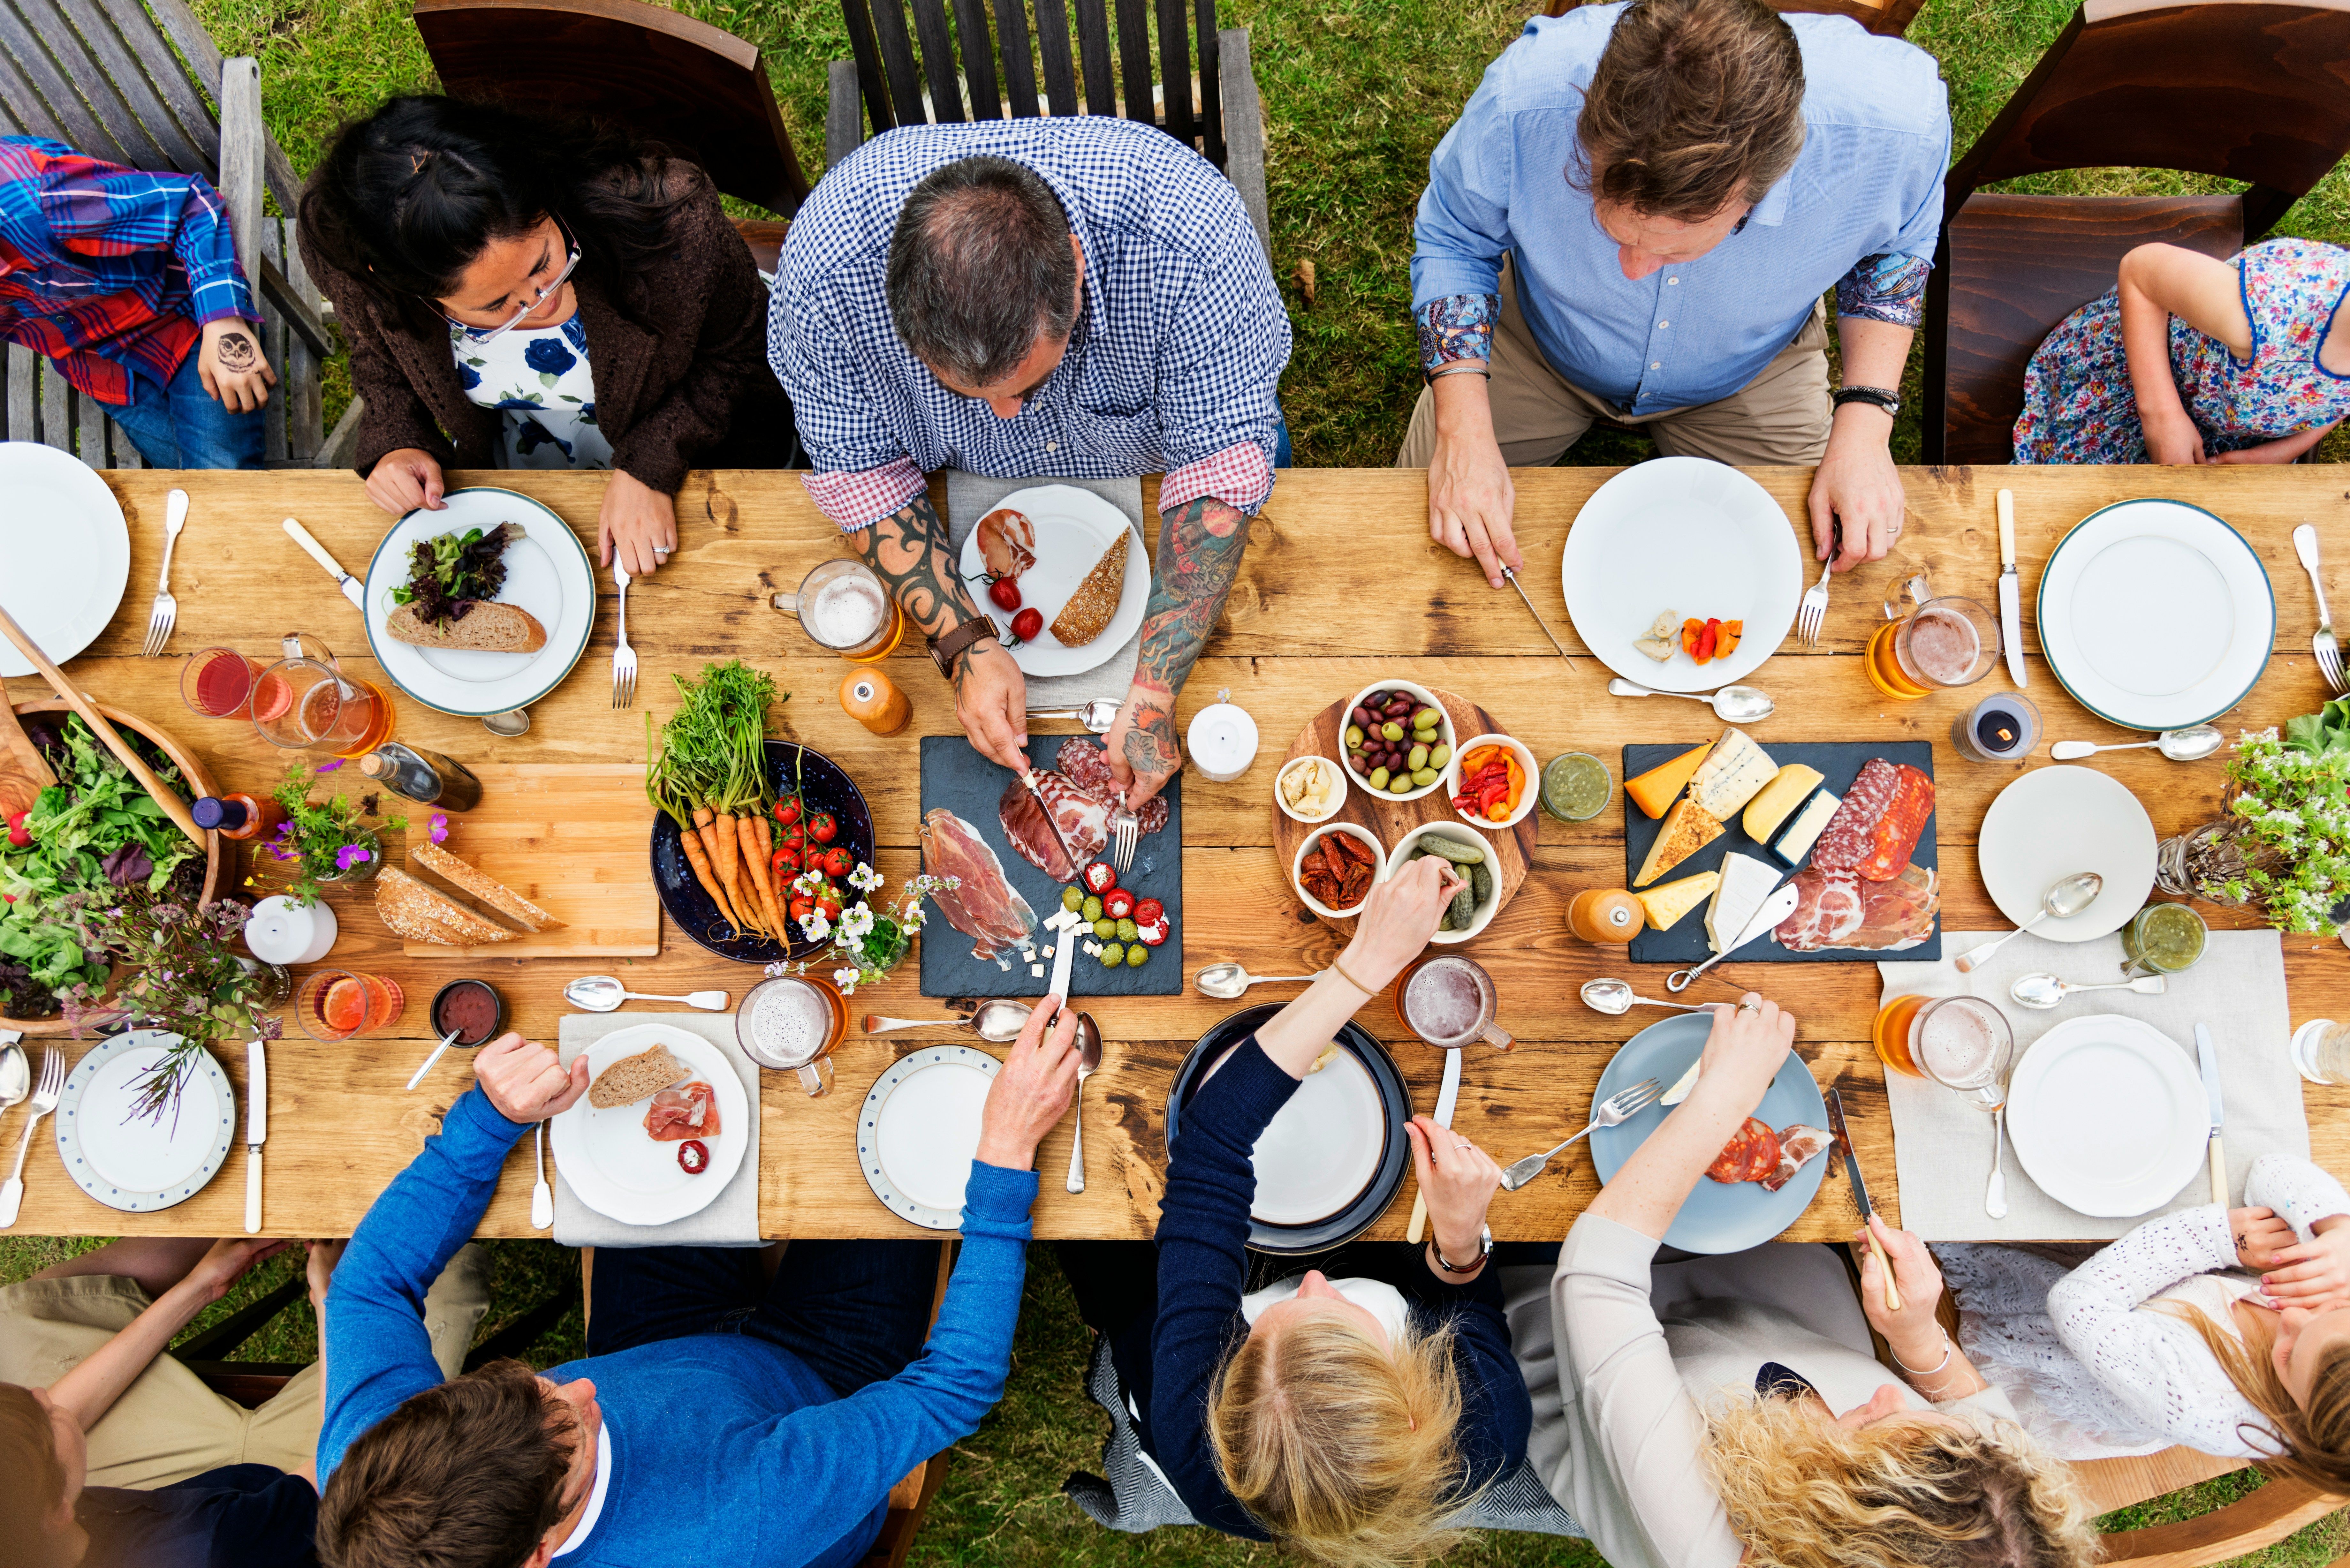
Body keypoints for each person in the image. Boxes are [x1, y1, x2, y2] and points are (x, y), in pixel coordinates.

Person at [313, 1011, 1080, 1568]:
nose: (582, 1386)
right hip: (815, 1393)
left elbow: (367, 1289)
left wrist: (486, 1122)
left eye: (537, 1386)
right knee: (908, 1138)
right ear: (539, 1553)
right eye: (575, 1436)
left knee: (692, 1051)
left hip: (661, 1344)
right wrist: (1007, 1152)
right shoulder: (735, 1527)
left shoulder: (382, 1464)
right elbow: (956, 1386)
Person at [768, 120, 1290, 812]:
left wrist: (1153, 692)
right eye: (964, 393)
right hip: (957, 483)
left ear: (1074, 266)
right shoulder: (825, 283)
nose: (1005, 414)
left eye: (1027, 384)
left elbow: (1219, 471)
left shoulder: (1188, 241)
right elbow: (862, 473)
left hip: (1162, 466)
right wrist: (963, 642)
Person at [1512, 994, 2098, 1568]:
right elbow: (1983, 1414)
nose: (1893, 1393)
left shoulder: (1702, 1543)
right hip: (1773, 1303)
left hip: (1582, 1318)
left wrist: (1722, 1097)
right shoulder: (1994, 1513)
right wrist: (1918, 1339)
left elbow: (1598, 1277)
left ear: (1826, 1512)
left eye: (1878, 1425)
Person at [1057, 855, 1529, 1565]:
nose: (1310, 1279)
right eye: (1334, 1312)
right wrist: (1459, 1244)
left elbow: (1212, 1141)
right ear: (1412, 1409)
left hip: (1167, 1333)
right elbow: (1479, 1313)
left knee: (1102, 1234)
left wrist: (1365, 960)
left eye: (1260, 1335)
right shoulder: (1486, 1429)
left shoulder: (1194, 1418)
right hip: (1412, 1265)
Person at [1402, 0, 1948, 586]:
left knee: (1816, 571)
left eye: (1674, 248)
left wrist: (1866, 425)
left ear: (1762, 184)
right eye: (1614, 231)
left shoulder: (1900, 129)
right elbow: (1455, 239)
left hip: (1752, 369)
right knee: (1417, 536)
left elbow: (1894, 254)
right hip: (1538, 346)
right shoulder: (1522, 100)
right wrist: (1463, 432)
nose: (1634, 270)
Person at [298, 96, 798, 577]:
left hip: (701, 461)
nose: (542, 301)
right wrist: (397, 438)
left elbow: (744, 349)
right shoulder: (350, 255)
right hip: (522, 472)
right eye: (496, 305)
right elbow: (376, 349)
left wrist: (653, 460)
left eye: (544, 264)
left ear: (543, 196)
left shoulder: (668, 217)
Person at [0, 1233, 486, 1568]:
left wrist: (200, 1286)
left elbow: (55, 1415)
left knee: (15, 1340)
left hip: (203, 1499)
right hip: (338, 1500)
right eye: (44, 1419)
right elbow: (347, 1464)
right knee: (440, 1290)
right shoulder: (210, 1550)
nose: (43, 1396)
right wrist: (333, 1304)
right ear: (59, 1510)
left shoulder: (28, 1526)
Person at [1937, 1153, 2350, 1479]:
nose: (2296, 1318)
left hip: (2074, 1339)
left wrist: (2217, 1240)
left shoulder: (2196, 1401)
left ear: (2297, 1426)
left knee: (1952, 1190)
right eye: (2332, 1313)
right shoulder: (2334, 1334)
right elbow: (2269, 1170)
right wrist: (2336, 1230)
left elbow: (2077, 1306)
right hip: (2139, 1279)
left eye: (2289, 1355)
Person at [0, 134, 275, 468]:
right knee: (185, 489)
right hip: (94, 364)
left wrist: (224, 321)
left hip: (178, 321)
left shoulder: (35, 201)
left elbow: (192, 205)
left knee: (222, 484)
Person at [2013, 239, 2350, 464]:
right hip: (2147, 372)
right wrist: (2160, 416)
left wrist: (2284, 450)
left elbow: (2338, 398)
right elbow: (2141, 270)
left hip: (2234, 431)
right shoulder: (2276, 312)